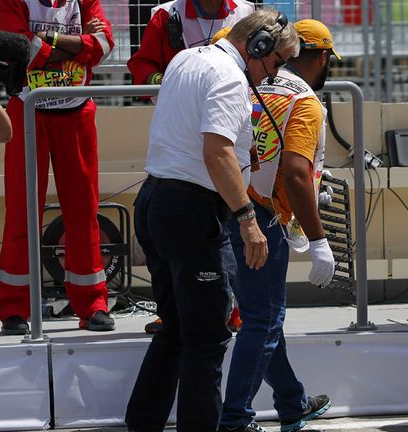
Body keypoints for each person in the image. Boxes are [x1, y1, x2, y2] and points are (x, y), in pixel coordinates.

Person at [124, 10, 299, 432]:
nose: (274, 75)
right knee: (206, 339)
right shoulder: (229, 78)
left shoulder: (188, 58)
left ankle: (143, 424)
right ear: (257, 47)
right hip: (192, 211)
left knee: (177, 328)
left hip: (156, 200)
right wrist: (247, 220)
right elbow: (216, 152)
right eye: (276, 63)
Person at [218, 18, 338, 432]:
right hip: (259, 220)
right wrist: (320, 238)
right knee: (263, 321)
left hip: (229, 206)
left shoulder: (251, 77)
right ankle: (234, 419)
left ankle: (292, 402)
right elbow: (295, 172)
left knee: (263, 316)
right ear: (321, 57)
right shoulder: (304, 101)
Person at [127, 0, 257, 335]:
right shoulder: (165, 14)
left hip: (234, 129)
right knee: (198, 242)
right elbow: (141, 67)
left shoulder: (245, 10)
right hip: (185, 144)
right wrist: (172, 82)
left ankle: (234, 307)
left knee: (233, 232)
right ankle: (183, 313)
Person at [0, 0, 115, 335]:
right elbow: (21, 49)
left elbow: (104, 45)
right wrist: (78, 47)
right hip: (27, 110)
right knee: (21, 212)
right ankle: (13, 309)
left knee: (83, 211)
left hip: (77, 111)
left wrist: (48, 41)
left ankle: (93, 304)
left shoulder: (86, 1)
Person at [127, 0, 257, 88]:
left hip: (238, 103)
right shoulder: (165, 14)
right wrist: (160, 80)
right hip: (185, 110)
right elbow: (143, 63)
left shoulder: (246, 11)